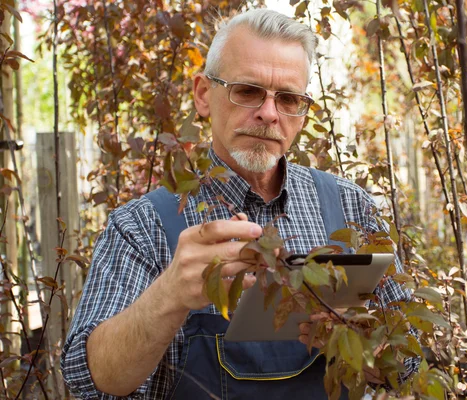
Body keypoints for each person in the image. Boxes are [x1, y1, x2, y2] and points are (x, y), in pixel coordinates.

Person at [61, 9, 418, 399]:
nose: (268, 113)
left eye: (288, 98)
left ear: (302, 112)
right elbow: (89, 380)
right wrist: (168, 297)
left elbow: (409, 366)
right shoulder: (142, 226)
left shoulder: (352, 208)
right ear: (202, 94)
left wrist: (370, 344)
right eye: (247, 91)